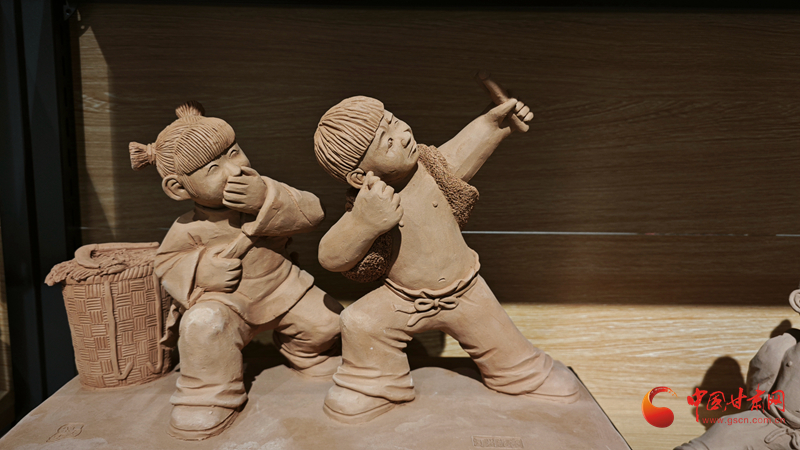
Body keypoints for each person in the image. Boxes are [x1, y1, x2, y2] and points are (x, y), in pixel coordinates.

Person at [312, 92, 580, 424]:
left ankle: (522, 375)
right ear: (358, 177)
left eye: (394, 121)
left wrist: (496, 123)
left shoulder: (433, 169)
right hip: (404, 301)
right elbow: (330, 256)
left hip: (467, 291)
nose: (403, 135)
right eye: (387, 141)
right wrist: (364, 223)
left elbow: (464, 149)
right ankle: (373, 387)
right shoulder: (368, 205)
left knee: (509, 353)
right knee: (359, 322)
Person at [130, 101, 342, 440]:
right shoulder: (188, 228)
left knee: (329, 322)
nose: (234, 169)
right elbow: (167, 263)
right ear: (178, 188)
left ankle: (305, 353)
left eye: (234, 152)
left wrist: (265, 199)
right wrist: (203, 270)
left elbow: (313, 212)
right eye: (213, 168)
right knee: (203, 326)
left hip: (283, 289)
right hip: (227, 304)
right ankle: (209, 395)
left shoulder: (263, 190)